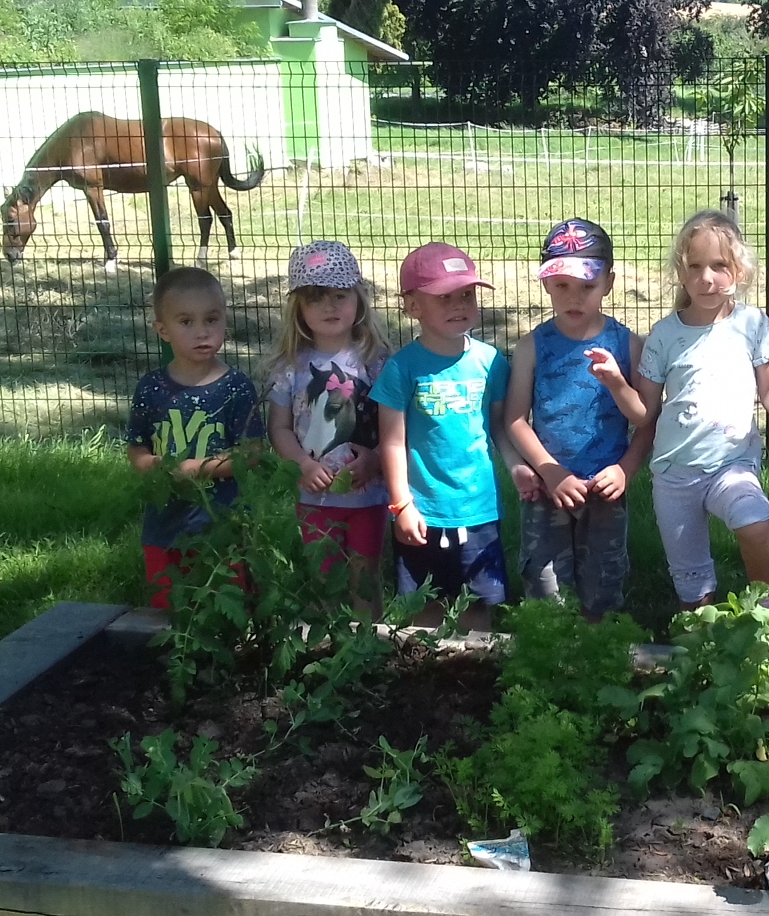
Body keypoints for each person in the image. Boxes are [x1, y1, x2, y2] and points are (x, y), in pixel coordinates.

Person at [636, 208, 769, 609]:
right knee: (692, 587)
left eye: (718, 266)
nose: (706, 278)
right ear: (681, 272)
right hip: (675, 474)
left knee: (755, 521)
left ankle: (763, 604)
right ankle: (700, 636)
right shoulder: (664, 334)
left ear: (739, 271)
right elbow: (644, 411)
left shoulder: (753, 324)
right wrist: (613, 382)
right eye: (695, 266)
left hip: (733, 464)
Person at [503, 219, 653, 620]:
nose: (574, 297)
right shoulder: (532, 346)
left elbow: (648, 420)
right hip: (547, 488)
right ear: (546, 284)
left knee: (603, 588)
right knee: (544, 591)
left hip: (605, 490)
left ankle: (599, 652)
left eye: (587, 286)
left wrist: (625, 470)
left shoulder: (628, 345)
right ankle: (547, 655)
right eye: (562, 285)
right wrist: (549, 471)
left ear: (609, 283)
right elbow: (515, 419)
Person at [371, 242, 511, 633]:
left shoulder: (491, 361)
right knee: (424, 609)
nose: (459, 305)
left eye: (466, 295)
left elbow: (500, 428)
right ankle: (424, 668)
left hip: (478, 510)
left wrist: (520, 470)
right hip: (423, 512)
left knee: (478, 608)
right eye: (444, 297)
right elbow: (392, 442)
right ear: (413, 306)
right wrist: (401, 505)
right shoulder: (402, 369)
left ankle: (475, 667)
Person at [263, 239, 390, 613]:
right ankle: (329, 641)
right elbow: (279, 428)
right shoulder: (290, 366)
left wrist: (376, 459)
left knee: (365, 578)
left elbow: (395, 427)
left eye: (339, 295)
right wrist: (302, 464)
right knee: (323, 578)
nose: (329, 306)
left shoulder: (377, 362)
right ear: (298, 308)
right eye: (315, 298)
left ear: (358, 299)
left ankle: (369, 640)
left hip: (368, 495)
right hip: (314, 497)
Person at [125, 266, 261, 608]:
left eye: (211, 319)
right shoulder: (151, 388)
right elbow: (136, 445)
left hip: (222, 525)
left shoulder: (235, 387)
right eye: (186, 322)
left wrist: (199, 469)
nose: (202, 332)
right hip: (164, 525)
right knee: (167, 610)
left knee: (226, 606)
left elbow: (251, 452)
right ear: (162, 330)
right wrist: (153, 465)